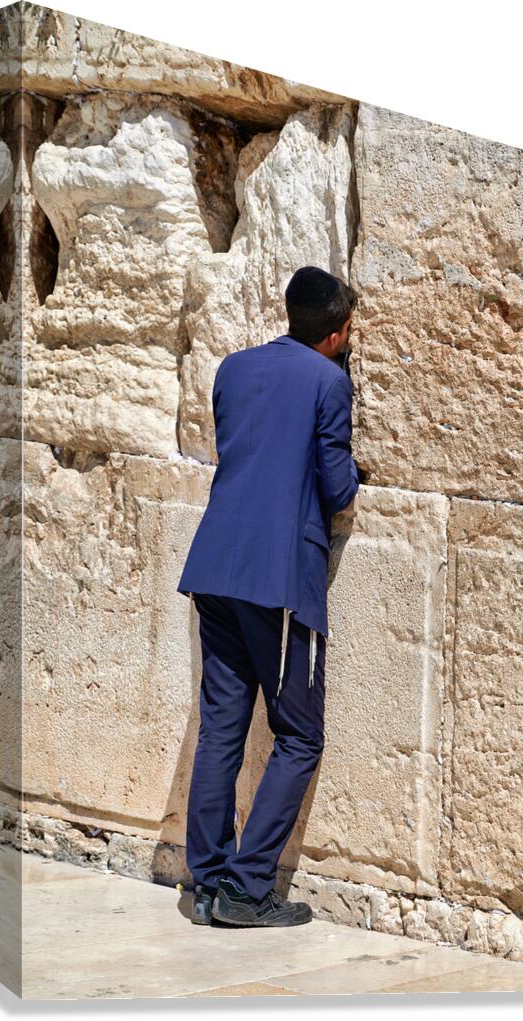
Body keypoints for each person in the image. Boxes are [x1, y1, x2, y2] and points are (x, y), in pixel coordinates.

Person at [176, 265, 363, 927]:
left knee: (221, 729)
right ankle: (248, 888)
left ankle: (207, 881)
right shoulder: (329, 381)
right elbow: (336, 487)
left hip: (216, 567)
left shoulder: (232, 368)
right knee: (301, 735)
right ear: (336, 335)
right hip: (277, 580)